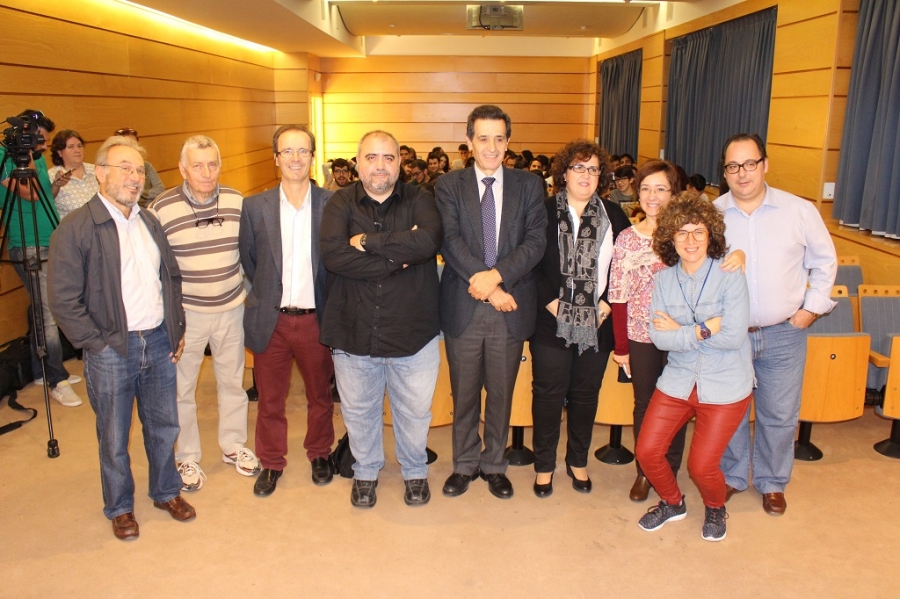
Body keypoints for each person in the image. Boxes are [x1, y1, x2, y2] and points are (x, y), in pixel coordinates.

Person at [48, 134, 193, 541]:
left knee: (164, 425)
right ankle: (120, 506)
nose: (134, 177)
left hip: (159, 341)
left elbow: (171, 279)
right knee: (114, 434)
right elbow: (62, 298)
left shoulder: (149, 222)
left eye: (138, 170)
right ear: (101, 174)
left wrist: (175, 327)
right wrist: (95, 343)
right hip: (112, 347)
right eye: (124, 168)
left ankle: (166, 491)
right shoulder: (76, 227)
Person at [320, 130, 443, 508]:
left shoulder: (421, 198)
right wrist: (399, 257)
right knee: (359, 410)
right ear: (357, 163)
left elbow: (428, 243)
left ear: (400, 163)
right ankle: (366, 472)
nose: (380, 166)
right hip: (353, 328)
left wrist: (368, 243)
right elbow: (334, 257)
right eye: (371, 158)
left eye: (388, 158)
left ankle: (415, 471)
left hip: (413, 330)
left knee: (414, 410)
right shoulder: (339, 202)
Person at [716, 133, 837, 516]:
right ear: (725, 172)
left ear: (765, 165)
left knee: (780, 413)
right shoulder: (712, 215)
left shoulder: (799, 211)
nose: (742, 173)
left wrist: (810, 309)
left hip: (785, 331)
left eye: (750, 163)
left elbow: (825, 262)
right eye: (733, 166)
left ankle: (771, 482)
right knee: (731, 410)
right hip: (731, 334)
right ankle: (734, 476)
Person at [436, 104, 547, 500]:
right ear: (469, 142)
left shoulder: (529, 186)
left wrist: (497, 278)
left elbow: (535, 243)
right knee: (464, 393)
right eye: (482, 138)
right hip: (466, 306)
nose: (491, 146)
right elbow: (450, 241)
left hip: (508, 310)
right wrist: (490, 288)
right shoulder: (448, 185)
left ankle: (494, 465)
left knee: (501, 393)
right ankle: (465, 464)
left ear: (509, 143)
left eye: (499, 138)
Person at [635, 193, 752, 542]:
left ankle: (716, 507)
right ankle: (673, 502)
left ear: (710, 235)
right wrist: (704, 328)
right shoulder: (663, 280)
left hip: (726, 384)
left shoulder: (730, 274)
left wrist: (683, 333)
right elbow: (659, 337)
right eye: (682, 232)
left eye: (698, 232)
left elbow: (733, 337)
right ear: (670, 236)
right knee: (647, 451)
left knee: (701, 466)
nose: (690, 241)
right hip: (679, 379)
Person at [150, 135, 260, 492]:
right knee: (182, 389)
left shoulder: (236, 201)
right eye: (197, 165)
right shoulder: (161, 208)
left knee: (232, 382)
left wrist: (245, 292)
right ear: (182, 168)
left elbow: (249, 252)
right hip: (187, 316)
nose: (206, 172)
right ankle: (187, 455)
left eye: (212, 164)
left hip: (231, 310)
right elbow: (155, 268)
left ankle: (233, 445)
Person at [239, 124, 336, 497]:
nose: (296, 158)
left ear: (313, 157)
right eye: (287, 151)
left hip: (317, 318)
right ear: (275, 158)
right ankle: (272, 461)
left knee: (320, 395)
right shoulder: (254, 207)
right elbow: (251, 261)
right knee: (270, 398)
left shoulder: (332, 204)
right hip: (272, 319)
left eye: (303, 151)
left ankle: (319, 453)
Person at [530, 140, 631, 497]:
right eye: (578, 167)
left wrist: (605, 305)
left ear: (600, 176)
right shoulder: (542, 211)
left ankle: (577, 461)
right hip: (551, 320)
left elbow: (624, 267)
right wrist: (551, 303)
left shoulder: (615, 215)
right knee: (548, 395)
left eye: (593, 169)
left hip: (598, 324)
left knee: (586, 395)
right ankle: (544, 466)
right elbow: (530, 264)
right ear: (564, 174)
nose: (585, 175)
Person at [608, 160, 686, 503]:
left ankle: (669, 471)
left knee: (678, 404)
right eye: (645, 188)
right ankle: (646, 471)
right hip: (641, 337)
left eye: (660, 189)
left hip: (683, 337)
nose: (652, 196)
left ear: (674, 193)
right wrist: (621, 346)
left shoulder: (689, 234)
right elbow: (618, 294)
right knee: (645, 405)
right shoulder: (626, 238)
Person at [0, 109, 83, 407]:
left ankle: (40, 371)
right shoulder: (3, 158)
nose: (45, 148)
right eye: (42, 141)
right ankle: (55, 379)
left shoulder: (32, 157)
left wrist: (56, 185)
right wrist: (28, 161)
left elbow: (44, 194)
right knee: (48, 312)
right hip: (28, 244)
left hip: (50, 238)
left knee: (43, 308)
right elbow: (29, 194)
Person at [47, 129, 99, 220]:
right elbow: (46, 202)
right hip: (72, 230)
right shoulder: (51, 176)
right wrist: (56, 185)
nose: (77, 150)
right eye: (71, 147)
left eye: (79, 146)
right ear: (59, 152)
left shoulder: (96, 170)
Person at [113, 128, 165, 207]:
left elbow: (160, 189)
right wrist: (141, 193)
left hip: (151, 208)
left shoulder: (147, 166)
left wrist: (137, 191)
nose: (131, 147)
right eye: (127, 144)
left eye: (134, 144)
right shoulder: (114, 168)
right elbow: (119, 194)